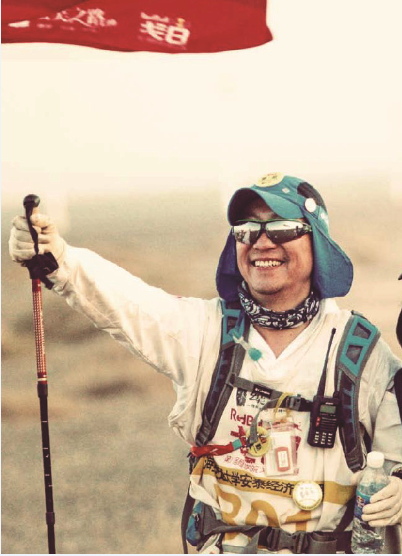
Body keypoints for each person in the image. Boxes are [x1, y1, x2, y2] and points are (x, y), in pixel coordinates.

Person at [8, 172, 402, 554]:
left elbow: (396, 457)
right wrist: (59, 258)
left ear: (316, 241)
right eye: (246, 231)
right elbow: (130, 303)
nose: (262, 242)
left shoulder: (360, 352)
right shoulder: (206, 331)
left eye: (281, 229)